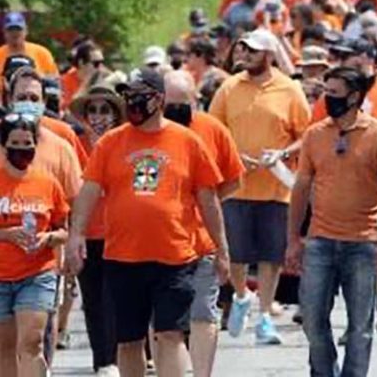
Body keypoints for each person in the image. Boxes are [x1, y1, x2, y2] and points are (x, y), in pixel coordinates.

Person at [65, 67, 229, 377]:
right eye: (128, 97)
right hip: (123, 256)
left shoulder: (188, 142)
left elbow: (209, 199)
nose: (132, 103)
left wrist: (222, 249)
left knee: (170, 334)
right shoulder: (111, 143)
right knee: (129, 341)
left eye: (140, 97)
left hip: (175, 256)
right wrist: (77, 235)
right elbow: (88, 191)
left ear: (159, 99)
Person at [287, 66, 377, 377]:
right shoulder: (314, 135)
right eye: (326, 92)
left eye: (334, 94)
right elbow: (301, 188)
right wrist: (293, 239)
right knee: (311, 318)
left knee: (361, 326)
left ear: (354, 96)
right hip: (320, 241)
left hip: (363, 243)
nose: (327, 99)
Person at [209, 29, 311, 346]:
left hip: (275, 187)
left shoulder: (289, 89)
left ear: (268, 55)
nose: (246, 55)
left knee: (271, 255)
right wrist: (234, 156)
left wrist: (282, 154)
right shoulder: (229, 87)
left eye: (253, 50)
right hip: (236, 186)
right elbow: (214, 130)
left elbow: (306, 134)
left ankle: (265, 315)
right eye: (244, 50)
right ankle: (241, 296)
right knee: (236, 254)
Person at [163, 70, 245, 376]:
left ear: (196, 101)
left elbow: (235, 178)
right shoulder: (149, 130)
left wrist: (204, 201)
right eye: (170, 105)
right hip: (160, 242)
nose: (176, 112)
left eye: (183, 105)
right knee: (164, 319)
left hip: (201, 239)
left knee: (202, 313)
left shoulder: (212, 129)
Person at [0, 113, 69, 377]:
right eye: (15, 143)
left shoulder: (47, 183)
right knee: (4, 347)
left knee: (31, 342)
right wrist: (6, 235)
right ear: (4, 146)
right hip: (1, 275)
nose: (21, 149)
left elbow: (64, 229)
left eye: (27, 143)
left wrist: (48, 239)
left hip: (38, 273)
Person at [69, 83, 124, 375]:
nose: (99, 116)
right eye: (93, 110)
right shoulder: (76, 145)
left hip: (120, 234)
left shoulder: (125, 143)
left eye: (105, 110)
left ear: (116, 114)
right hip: (87, 233)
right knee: (92, 301)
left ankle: (115, 358)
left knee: (115, 298)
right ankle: (101, 360)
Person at [0, 12, 59, 81]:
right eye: (10, 29)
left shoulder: (42, 53)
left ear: (26, 31)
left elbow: (56, 79)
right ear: (4, 32)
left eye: (18, 29)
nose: (14, 33)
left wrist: (37, 76)